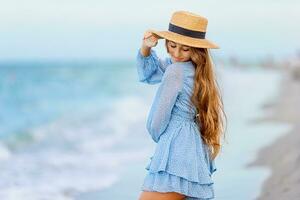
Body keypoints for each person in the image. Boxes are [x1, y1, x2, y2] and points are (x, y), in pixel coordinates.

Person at [136, 11, 225, 200]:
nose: (176, 53)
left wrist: (162, 141)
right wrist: (146, 47)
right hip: (192, 145)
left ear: (196, 50)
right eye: (172, 45)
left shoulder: (176, 70)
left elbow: (156, 123)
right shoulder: (195, 69)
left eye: (185, 49)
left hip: (176, 149)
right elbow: (151, 72)